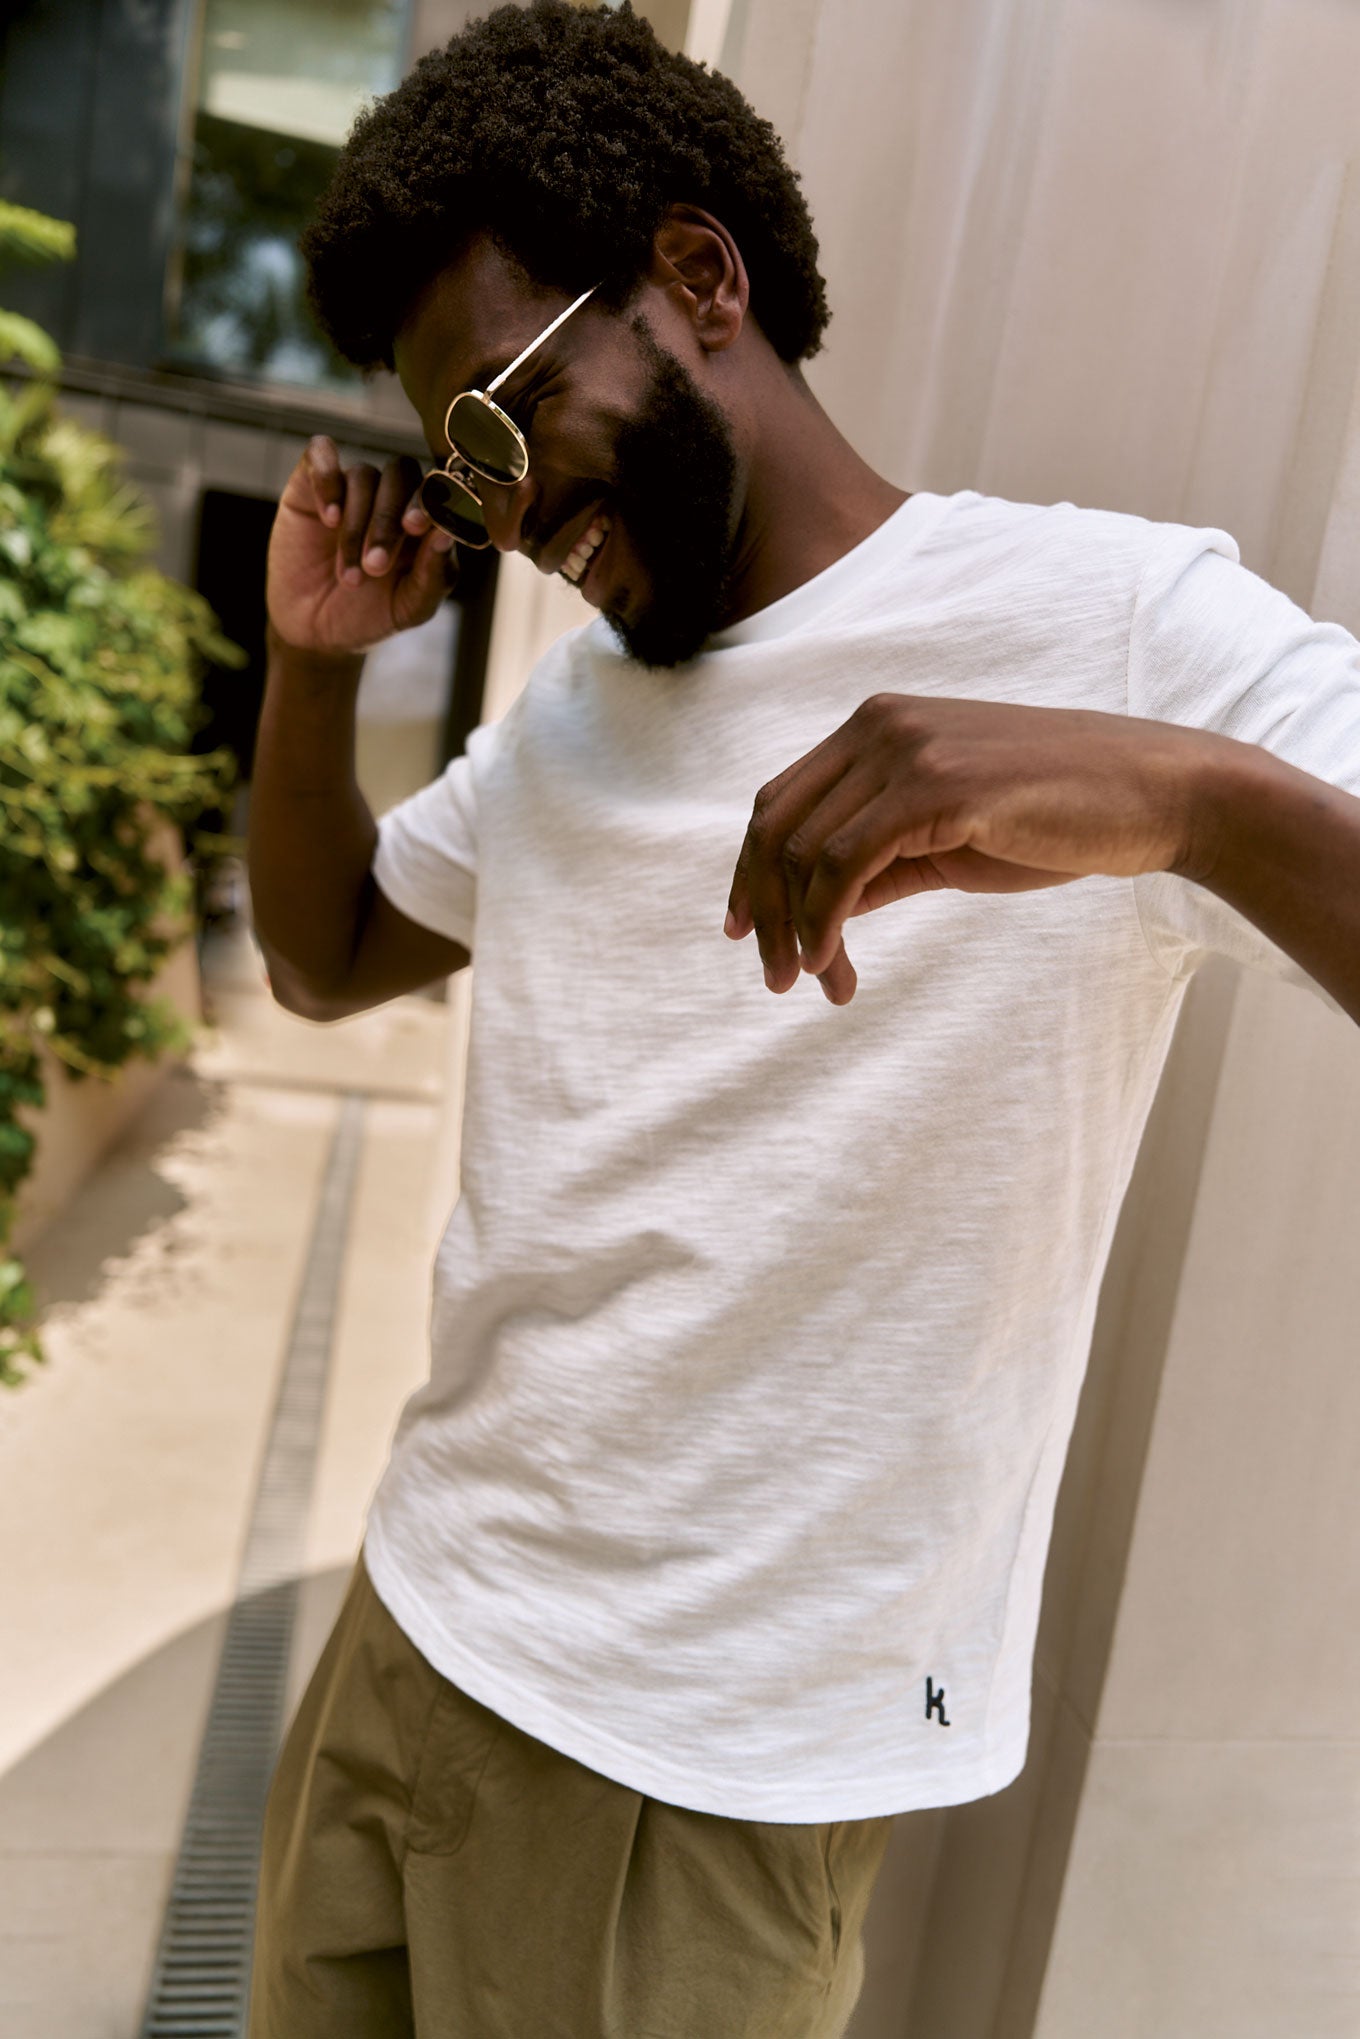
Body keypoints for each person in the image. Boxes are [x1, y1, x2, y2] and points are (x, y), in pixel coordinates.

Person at [245, 4, 1360, 2033]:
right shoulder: (569, 718)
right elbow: (328, 953)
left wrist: (1184, 800)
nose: (493, 515)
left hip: (705, 1763)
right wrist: (314, 673)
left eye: (502, 420)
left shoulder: (1111, 623)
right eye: (450, 463)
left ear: (694, 280)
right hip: (420, 1628)